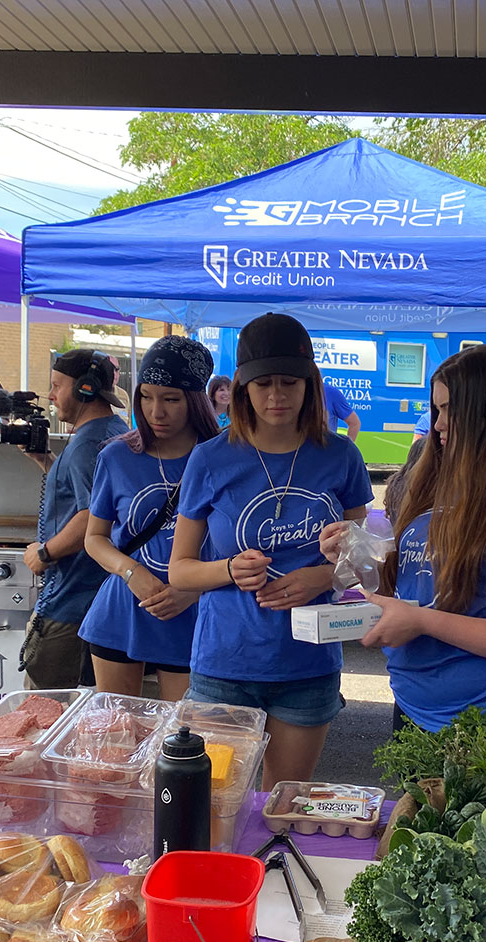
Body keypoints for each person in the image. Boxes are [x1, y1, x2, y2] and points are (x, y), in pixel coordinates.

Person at [322, 345, 486, 732]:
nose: (437, 424)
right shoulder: (434, 483)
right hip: (412, 707)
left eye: (449, 410)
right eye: (436, 409)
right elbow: (413, 585)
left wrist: (422, 622)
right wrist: (355, 555)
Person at [169, 314, 372, 789]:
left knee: (283, 807)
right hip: (224, 665)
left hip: (308, 665)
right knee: (216, 805)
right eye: (263, 384)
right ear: (242, 388)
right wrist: (228, 569)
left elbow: (366, 559)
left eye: (290, 382)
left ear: (310, 385)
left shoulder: (341, 456)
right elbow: (180, 572)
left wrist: (322, 577)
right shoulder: (211, 458)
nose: (277, 396)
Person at [80, 337, 220, 699]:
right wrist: (132, 572)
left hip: (194, 614)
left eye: (171, 399)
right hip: (122, 610)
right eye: (146, 396)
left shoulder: (225, 459)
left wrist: (193, 590)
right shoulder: (117, 456)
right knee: (117, 737)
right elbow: (94, 538)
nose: (156, 411)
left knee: (186, 740)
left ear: (195, 399)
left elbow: (239, 545)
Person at [21, 349, 129, 689]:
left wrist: (45, 552)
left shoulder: (87, 443)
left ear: (85, 389)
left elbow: (92, 516)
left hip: (69, 603)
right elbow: (93, 495)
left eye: (56, 385)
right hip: (97, 599)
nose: (51, 395)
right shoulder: (114, 428)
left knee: (47, 714)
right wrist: (48, 461)